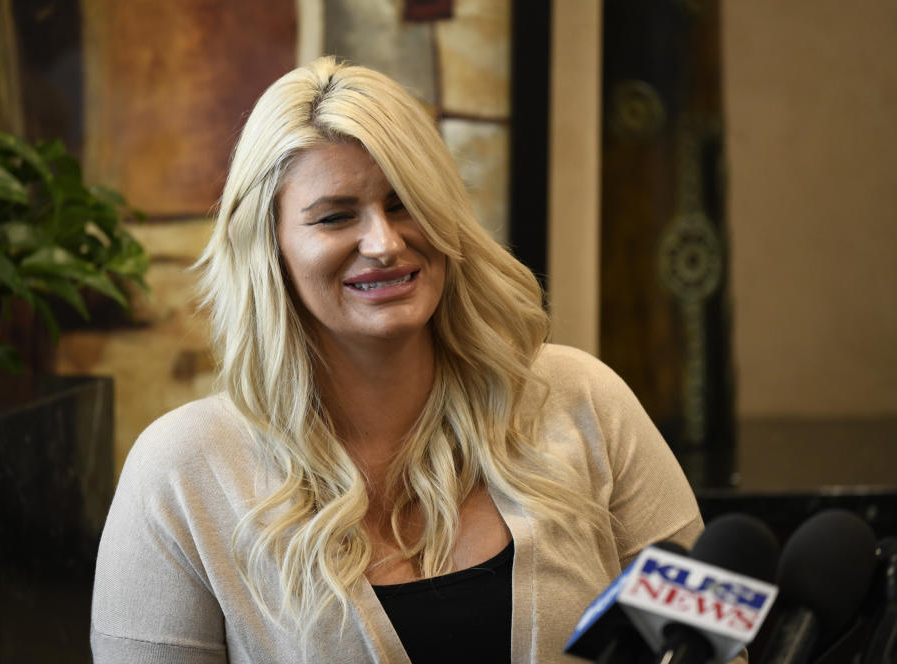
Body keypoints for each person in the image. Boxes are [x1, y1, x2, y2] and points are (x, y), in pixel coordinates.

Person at [90, 56, 702, 664]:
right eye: (335, 217)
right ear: (269, 247)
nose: (384, 243)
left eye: (404, 202)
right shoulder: (180, 471)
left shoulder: (585, 399)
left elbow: (713, 648)